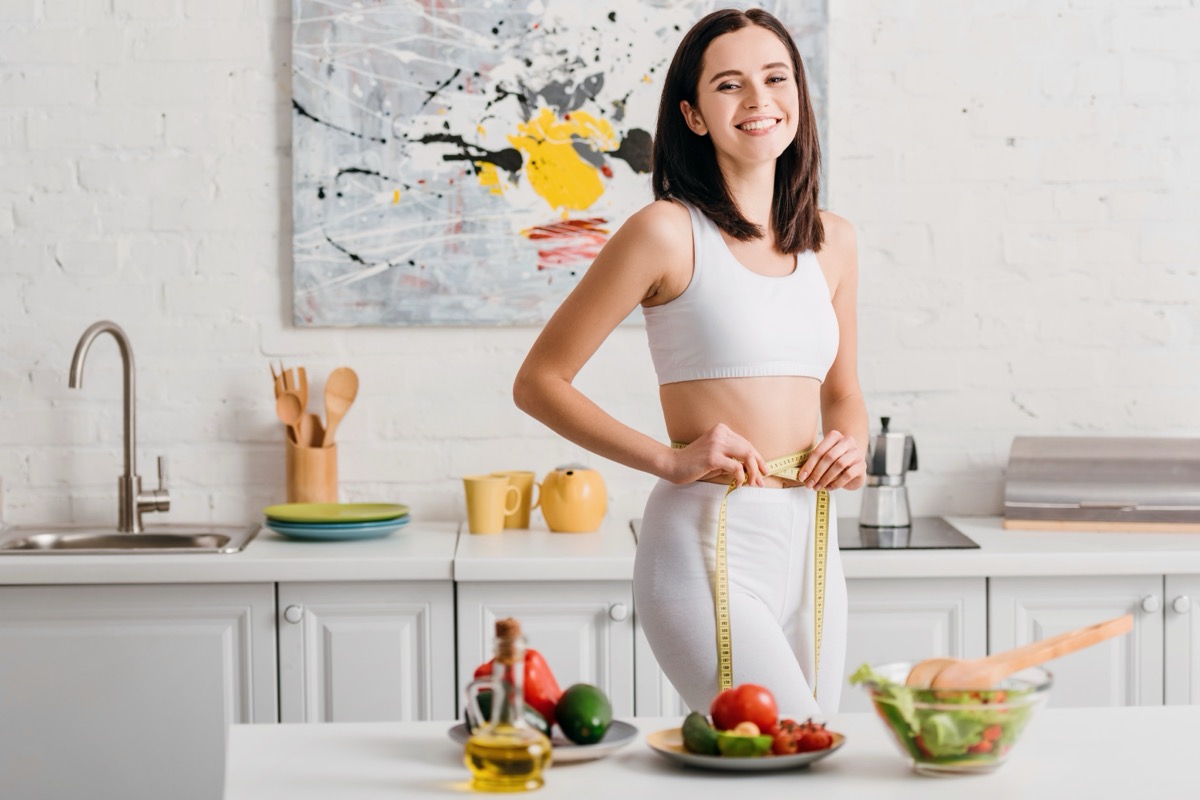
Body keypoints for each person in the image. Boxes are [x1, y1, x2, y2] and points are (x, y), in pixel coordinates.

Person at [513, 7, 867, 717]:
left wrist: (853, 447)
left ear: (799, 91)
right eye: (730, 85)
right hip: (708, 544)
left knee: (810, 759)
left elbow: (845, 394)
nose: (760, 101)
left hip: (813, 544)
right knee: (778, 746)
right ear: (695, 115)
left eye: (775, 78)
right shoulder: (666, 233)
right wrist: (667, 461)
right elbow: (538, 383)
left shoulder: (833, 241)